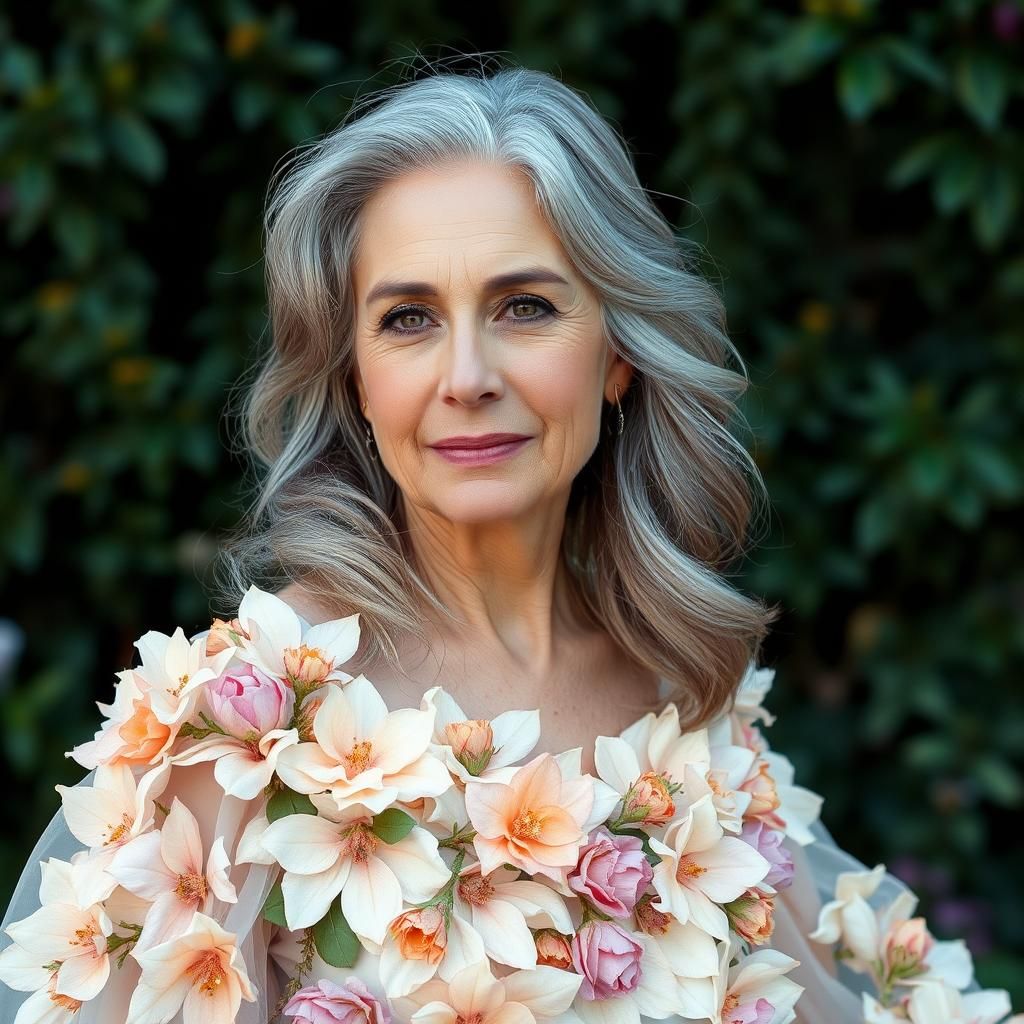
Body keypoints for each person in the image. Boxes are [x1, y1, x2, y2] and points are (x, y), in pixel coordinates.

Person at [0, 58, 1011, 1024]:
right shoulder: (247, 730)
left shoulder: (683, 700)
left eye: (525, 306)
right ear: (354, 377)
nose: (467, 375)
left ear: (617, 353)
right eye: (407, 319)